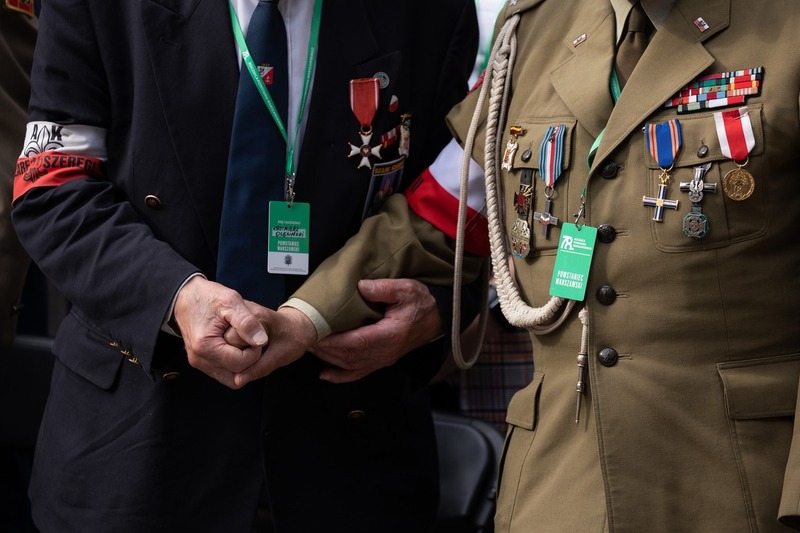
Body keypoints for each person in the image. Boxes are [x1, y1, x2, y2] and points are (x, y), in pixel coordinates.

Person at [247, 0, 800, 531]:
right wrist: (305, 318)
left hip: (741, 490)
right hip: (558, 491)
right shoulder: (533, 26)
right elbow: (444, 216)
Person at [11, 1, 479, 531]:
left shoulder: (433, 11)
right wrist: (175, 296)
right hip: (140, 450)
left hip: (349, 453)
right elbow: (53, 187)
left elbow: (454, 210)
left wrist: (435, 312)